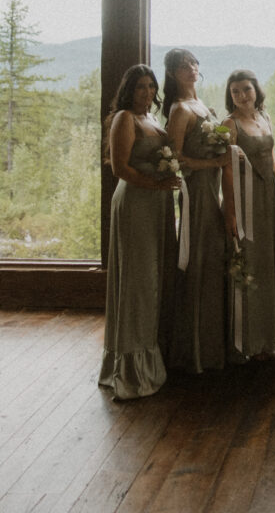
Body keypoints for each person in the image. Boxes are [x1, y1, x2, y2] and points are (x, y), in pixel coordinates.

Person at [99, 64, 181, 399]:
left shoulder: (153, 121)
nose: (146, 93)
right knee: (138, 281)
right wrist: (156, 184)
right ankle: (132, 370)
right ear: (128, 91)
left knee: (156, 277)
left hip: (158, 206)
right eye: (140, 87)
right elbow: (120, 169)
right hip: (135, 204)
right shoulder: (125, 119)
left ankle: (154, 356)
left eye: (150, 86)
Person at [164, 48, 235, 373]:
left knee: (214, 260)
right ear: (173, 73)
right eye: (183, 66)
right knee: (200, 261)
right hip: (197, 194)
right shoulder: (179, 110)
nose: (191, 69)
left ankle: (215, 345)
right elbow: (175, 160)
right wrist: (214, 163)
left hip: (214, 189)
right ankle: (194, 352)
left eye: (193, 63)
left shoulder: (202, 104)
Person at [224, 69, 275, 361]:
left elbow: (272, 161)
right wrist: (232, 212)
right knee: (251, 264)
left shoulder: (265, 117)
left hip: (269, 199)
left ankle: (269, 337)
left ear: (256, 90)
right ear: (230, 95)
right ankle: (249, 340)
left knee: (269, 262)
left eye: (246, 89)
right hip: (247, 201)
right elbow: (225, 170)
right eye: (235, 91)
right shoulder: (230, 124)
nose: (242, 95)